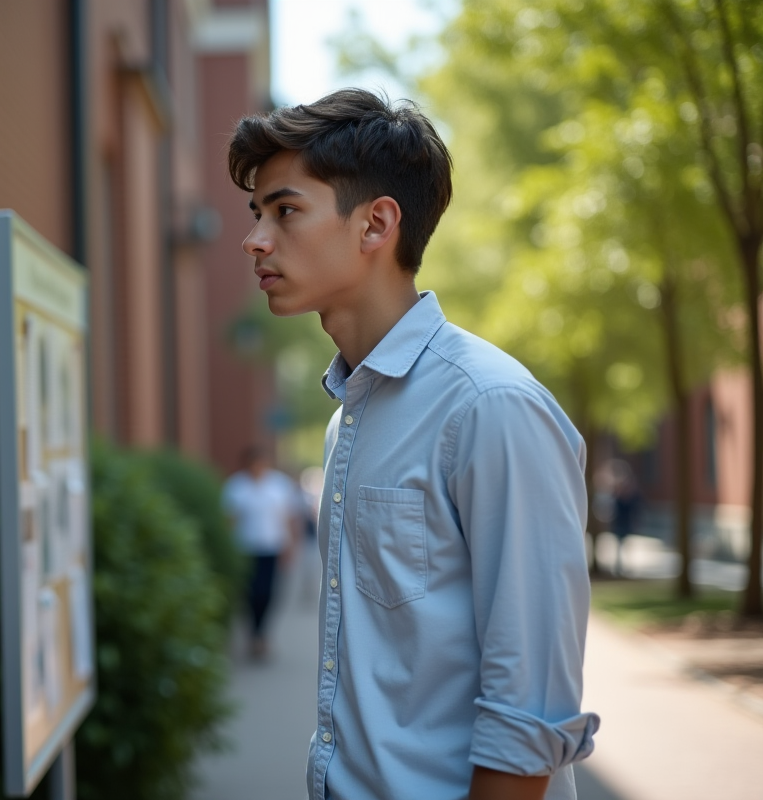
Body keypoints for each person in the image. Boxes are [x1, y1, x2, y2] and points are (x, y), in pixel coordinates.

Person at [229, 89, 598, 800]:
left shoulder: (491, 407)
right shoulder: (349, 418)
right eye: (257, 216)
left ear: (376, 224)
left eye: (285, 211)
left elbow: (530, 710)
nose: (255, 240)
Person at [222, 445, 300, 660]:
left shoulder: (279, 485)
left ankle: (261, 635)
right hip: (245, 549)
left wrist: (291, 546)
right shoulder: (237, 486)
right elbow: (230, 520)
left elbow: (288, 518)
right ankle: (254, 635)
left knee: (267, 593)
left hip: (272, 548)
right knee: (249, 594)